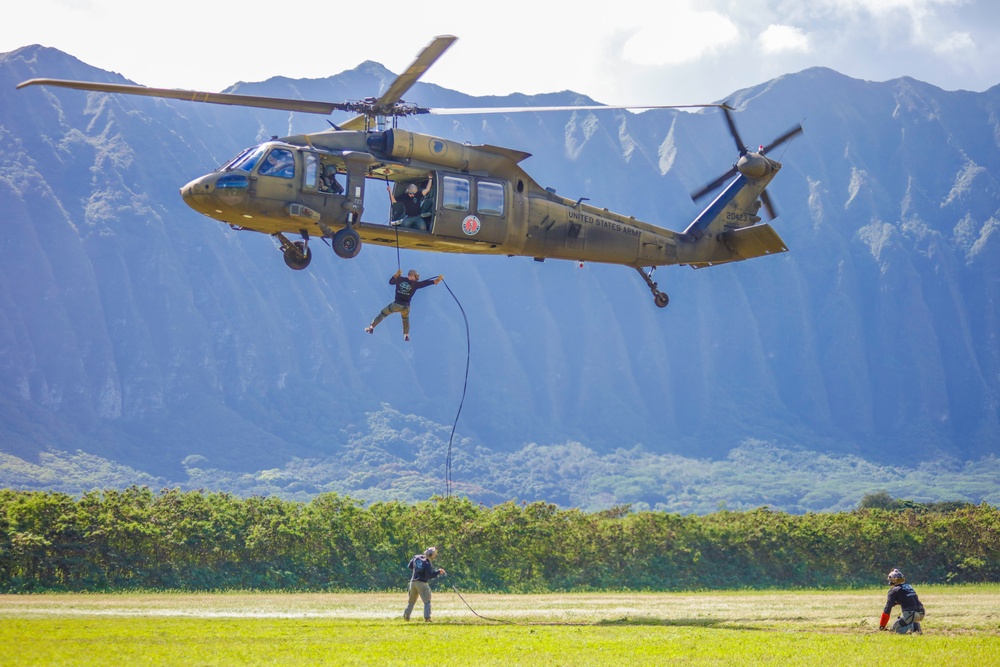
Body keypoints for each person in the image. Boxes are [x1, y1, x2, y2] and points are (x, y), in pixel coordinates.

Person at [365, 269, 442, 341]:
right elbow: (427, 283)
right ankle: (406, 334)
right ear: (415, 277)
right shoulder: (416, 284)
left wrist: (396, 275)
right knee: (405, 319)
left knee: (383, 313)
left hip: (396, 305)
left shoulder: (400, 279)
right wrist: (437, 280)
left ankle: (372, 327)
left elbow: (391, 282)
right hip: (406, 307)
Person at [403, 546, 446, 622]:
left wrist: (418, 570)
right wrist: (438, 572)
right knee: (427, 602)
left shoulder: (416, 557)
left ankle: (406, 616)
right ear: (431, 555)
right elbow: (429, 576)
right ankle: (427, 618)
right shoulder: (427, 563)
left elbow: (410, 566)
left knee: (411, 602)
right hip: (422, 583)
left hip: (413, 582)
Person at [879, 568, 925, 634]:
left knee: (893, 631)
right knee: (910, 618)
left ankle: (912, 628)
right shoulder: (908, 586)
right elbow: (909, 599)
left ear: (893, 580)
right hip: (921, 612)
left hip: (911, 614)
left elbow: (887, 608)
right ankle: (916, 627)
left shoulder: (893, 590)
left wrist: (882, 625)